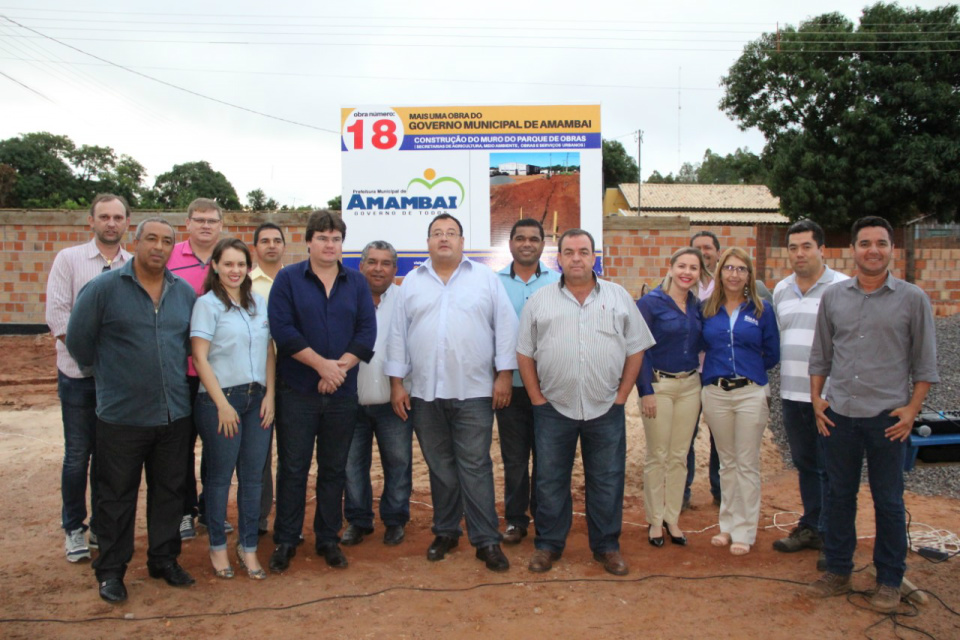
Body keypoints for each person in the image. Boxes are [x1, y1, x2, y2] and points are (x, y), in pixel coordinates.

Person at [806, 216, 938, 613]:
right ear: (853, 250)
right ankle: (838, 570)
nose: (873, 250)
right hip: (839, 415)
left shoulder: (913, 299)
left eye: (881, 243)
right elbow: (821, 355)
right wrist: (816, 400)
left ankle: (889, 579)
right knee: (839, 496)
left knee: (888, 501)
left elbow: (926, 364)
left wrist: (912, 410)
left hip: (888, 421)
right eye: (865, 243)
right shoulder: (834, 297)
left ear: (891, 250)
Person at [66, 217, 197, 603]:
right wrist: (111, 378)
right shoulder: (104, 289)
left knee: (170, 492)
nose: (159, 246)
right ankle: (110, 570)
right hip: (121, 417)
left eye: (167, 241)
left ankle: (163, 558)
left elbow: (188, 345)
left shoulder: (183, 293)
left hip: (174, 414)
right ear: (135, 242)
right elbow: (79, 343)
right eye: (151, 239)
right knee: (115, 497)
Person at [385, 213, 518, 572]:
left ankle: (486, 539)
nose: (444, 238)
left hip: (474, 390)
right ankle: (445, 531)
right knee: (440, 467)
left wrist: (504, 375)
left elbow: (505, 327)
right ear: (427, 242)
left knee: (475, 465)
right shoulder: (412, 282)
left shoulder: (485, 280)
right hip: (424, 393)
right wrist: (397, 383)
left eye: (451, 233)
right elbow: (397, 335)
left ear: (462, 242)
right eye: (437, 233)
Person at [517, 229, 654, 575]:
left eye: (583, 251)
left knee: (607, 479)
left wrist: (622, 396)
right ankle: (548, 545)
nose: (576, 258)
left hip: (606, 407)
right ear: (559, 259)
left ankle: (606, 547)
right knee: (549, 479)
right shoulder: (540, 300)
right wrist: (536, 397)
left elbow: (635, 349)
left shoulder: (619, 296)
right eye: (569, 252)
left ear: (594, 257)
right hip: (553, 408)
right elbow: (524, 353)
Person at [267, 211, 376, 573]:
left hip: (341, 394)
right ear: (309, 241)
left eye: (336, 239)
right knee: (294, 468)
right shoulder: (287, 279)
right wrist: (321, 366)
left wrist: (337, 369)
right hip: (297, 392)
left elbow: (365, 333)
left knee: (334, 469)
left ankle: (327, 538)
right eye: (323, 238)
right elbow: (283, 331)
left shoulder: (357, 283)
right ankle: (286, 539)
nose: (330, 245)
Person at [45, 193, 131, 562]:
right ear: (91, 221)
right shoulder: (69, 260)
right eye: (104, 217)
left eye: (118, 217)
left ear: (128, 222)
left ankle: (100, 524)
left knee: (110, 457)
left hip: (119, 382)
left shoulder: (134, 263)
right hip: (79, 376)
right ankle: (74, 528)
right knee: (78, 455)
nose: (111, 223)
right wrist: (95, 359)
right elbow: (58, 316)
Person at [191, 238, 275, 580]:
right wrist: (221, 404)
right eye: (228, 264)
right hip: (220, 401)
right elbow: (199, 357)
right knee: (220, 479)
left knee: (254, 478)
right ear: (215, 266)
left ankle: (249, 547)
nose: (235, 270)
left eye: (241, 264)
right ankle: (217, 547)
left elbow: (269, 351)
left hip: (258, 400)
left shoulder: (259, 304)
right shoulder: (207, 305)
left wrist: (270, 396)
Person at [772, 220, 847, 568]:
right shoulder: (781, 290)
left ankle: (835, 537)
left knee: (834, 468)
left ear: (822, 249)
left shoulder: (844, 288)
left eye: (806, 246)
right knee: (806, 465)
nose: (799, 253)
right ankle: (812, 527)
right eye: (793, 247)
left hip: (831, 398)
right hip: (792, 394)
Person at [700, 247, 779, 556]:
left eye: (740, 269)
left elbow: (772, 353)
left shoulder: (762, 311)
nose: (734, 274)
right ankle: (727, 526)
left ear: (749, 275)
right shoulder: (707, 309)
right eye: (728, 268)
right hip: (716, 393)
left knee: (746, 463)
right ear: (720, 273)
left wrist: (748, 369)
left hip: (749, 392)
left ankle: (745, 530)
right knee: (727, 462)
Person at [341, 240, 413, 547]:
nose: (378, 268)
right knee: (352, 465)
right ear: (360, 266)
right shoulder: (346, 299)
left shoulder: (407, 300)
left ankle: (395, 520)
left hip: (393, 400)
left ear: (396, 269)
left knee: (398, 462)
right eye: (372, 262)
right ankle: (359, 521)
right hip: (350, 401)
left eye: (386, 263)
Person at [495, 218, 560, 545]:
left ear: (542, 245)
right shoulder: (493, 284)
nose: (526, 244)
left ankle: (547, 520)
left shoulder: (559, 283)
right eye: (520, 238)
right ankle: (516, 521)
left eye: (533, 239)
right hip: (510, 388)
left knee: (548, 459)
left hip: (551, 389)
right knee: (515, 459)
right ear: (510, 244)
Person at [636, 247, 706, 548]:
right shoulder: (651, 303)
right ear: (670, 267)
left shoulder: (697, 306)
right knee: (658, 455)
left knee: (679, 456)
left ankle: (672, 518)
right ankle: (654, 521)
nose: (687, 272)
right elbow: (638, 349)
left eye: (693, 267)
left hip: (691, 386)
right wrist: (646, 392)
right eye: (682, 266)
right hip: (659, 386)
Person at [168, 198, 225, 541]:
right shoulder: (169, 258)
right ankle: (183, 511)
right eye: (199, 220)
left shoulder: (230, 260)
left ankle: (209, 508)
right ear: (187, 223)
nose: (205, 226)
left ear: (221, 225)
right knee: (180, 446)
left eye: (212, 220)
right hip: (180, 371)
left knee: (216, 444)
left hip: (219, 372)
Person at [250, 222, 286, 536]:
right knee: (259, 455)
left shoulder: (299, 280)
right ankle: (258, 518)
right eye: (265, 241)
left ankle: (287, 521)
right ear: (255, 248)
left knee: (291, 454)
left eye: (277, 240)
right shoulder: (244, 284)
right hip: (257, 382)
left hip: (294, 378)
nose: (271, 245)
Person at [685, 230, 722, 509]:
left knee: (721, 435)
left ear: (717, 253)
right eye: (697, 249)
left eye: (707, 248)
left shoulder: (727, 285)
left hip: (719, 372)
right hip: (689, 373)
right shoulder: (682, 285)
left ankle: (720, 490)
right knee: (685, 434)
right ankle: (682, 492)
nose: (703, 252)